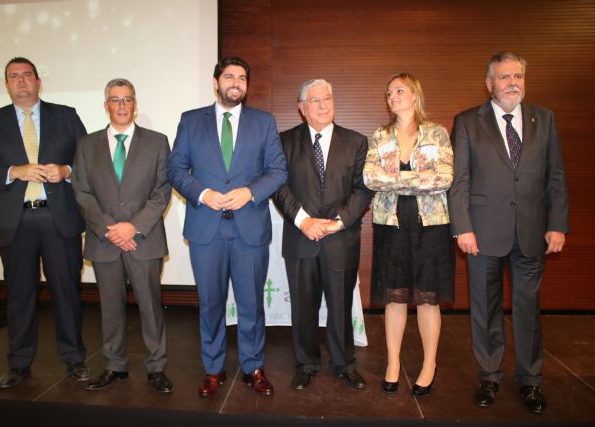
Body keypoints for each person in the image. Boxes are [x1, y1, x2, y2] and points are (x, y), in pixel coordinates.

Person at [448, 52, 569, 414]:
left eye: (518, 76)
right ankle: (488, 376)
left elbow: (556, 178)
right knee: (485, 309)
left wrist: (558, 223)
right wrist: (462, 228)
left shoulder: (544, 119)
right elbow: (459, 182)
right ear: (489, 83)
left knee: (528, 308)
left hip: (532, 231)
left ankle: (531, 381)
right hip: (482, 234)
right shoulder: (468, 121)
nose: (512, 82)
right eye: (504, 77)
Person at [0, 57, 88, 389]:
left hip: (58, 216)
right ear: (6, 84)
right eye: (13, 77)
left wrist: (67, 171)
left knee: (66, 291)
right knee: (20, 293)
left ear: (38, 81)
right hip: (15, 220)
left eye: (27, 75)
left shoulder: (66, 115)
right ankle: (19, 363)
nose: (21, 81)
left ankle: (75, 358)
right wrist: (13, 172)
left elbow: (88, 161)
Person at [168, 56, 287, 397]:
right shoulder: (191, 121)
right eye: (229, 76)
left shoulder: (264, 123)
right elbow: (176, 169)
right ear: (216, 81)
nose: (236, 82)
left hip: (249, 228)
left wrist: (249, 191)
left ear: (247, 85)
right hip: (206, 229)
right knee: (210, 304)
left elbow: (278, 171)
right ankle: (213, 368)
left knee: (251, 304)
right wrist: (203, 194)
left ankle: (253, 366)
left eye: (242, 78)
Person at [72, 78, 173, 393]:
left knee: (150, 307)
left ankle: (156, 367)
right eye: (115, 100)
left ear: (135, 104)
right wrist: (108, 229)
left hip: (144, 240)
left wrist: (134, 226)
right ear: (106, 105)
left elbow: (161, 191)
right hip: (105, 243)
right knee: (110, 308)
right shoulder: (86, 145)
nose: (121, 105)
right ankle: (115, 366)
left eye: (127, 99)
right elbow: (82, 192)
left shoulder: (157, 142)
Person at [272, 79, 371, 391]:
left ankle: (344, 364)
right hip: (301, 237)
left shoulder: (356, 141)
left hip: (341, 239)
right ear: (302, 109)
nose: (323, 104)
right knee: (303, 307)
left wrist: (338, 222)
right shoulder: (284, 141)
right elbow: (278, 185)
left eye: (327, 97)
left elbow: (362, 189)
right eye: (314, 100)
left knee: (341, 306)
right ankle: (306, 363)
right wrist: (303, 221)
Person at [363, 73, 455, 397]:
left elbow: (444, 178)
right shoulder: (380, 135)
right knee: (395, 296)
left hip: (430, 224)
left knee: (428, 297)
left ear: (415, 94)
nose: (393, 96)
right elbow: (371, 178)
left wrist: (398, 178)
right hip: (391, 222)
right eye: (388, 92)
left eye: (399, 90)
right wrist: (417, 177)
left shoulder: (437, 133)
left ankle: (429, 364)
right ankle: (392, 362)